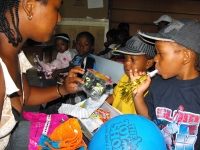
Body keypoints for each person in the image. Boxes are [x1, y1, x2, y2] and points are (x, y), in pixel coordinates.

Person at [0, 0, 85, 149]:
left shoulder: (16, 53)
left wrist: (63, 89)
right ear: (29, 6)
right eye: (56, 9)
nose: (59, 18)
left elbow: (26, 95)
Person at [133, 18, 200, 149]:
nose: (155, 59)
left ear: (185, 56)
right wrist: (138, 95)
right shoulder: (158, 85)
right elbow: (148, 120)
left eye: (160, 54)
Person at [106, 34, 155, 114]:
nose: (127, 63)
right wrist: (100, 106)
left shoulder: (146, 86)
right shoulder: (125, 77)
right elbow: (114, 96)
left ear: (148, 63)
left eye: (133, 59)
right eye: (125, 58)